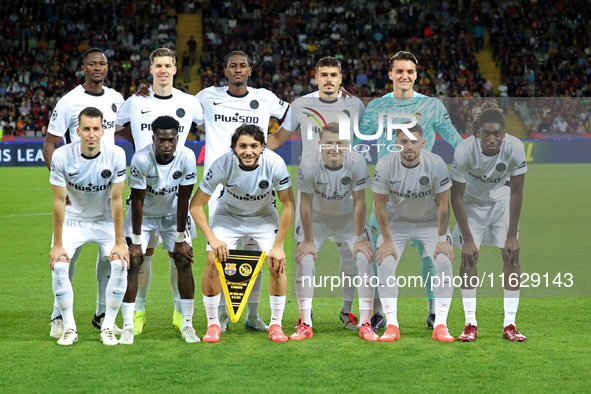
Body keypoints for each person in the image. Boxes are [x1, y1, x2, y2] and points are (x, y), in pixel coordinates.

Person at [359, 51, 463, 330]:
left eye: (410, 71)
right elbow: (359, 134)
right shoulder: (377, 106)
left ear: (416, 75)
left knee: (432, 256)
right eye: (399, 71)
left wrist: (473, 155)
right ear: (390, 75)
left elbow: (452, 136)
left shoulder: (431, 105)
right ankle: (379, 312)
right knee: (377, 254)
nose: (405, 76)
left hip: (426, 193)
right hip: (388, 193)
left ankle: (433, 313)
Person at [195, 50, 290, 333]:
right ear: (225, 71)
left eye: (243, 66)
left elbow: (294, 115)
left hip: (260, 200)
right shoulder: (206, 96)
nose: (238, 69)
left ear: (250, 70)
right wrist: (148, 91)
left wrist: (269, 144)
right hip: (221, 192)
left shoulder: (265, 97)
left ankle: (256, 316)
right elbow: (177, 106)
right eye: (232, 65)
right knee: (218, 257)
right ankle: (220, 317)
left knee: (260, 260)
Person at [271, 56, 367, 330]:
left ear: (341, 77)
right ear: (315, 77)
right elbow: (279, 138)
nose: (328, 79)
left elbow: (372, 135)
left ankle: (347, 311)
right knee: (305, 256)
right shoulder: (300, 105)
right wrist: (248, 147)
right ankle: (305, 318)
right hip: (311, 192)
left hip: (347, 191)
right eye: (323, 74)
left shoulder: (355, 105)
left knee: (352, 258)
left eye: (333, 75)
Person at [116, 47, 204, 335]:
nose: (163, 70)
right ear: (151, 69)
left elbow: (206, 125)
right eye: (158, 65)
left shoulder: (189, 102)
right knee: (142, 256)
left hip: (173, 188)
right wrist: (141, 146)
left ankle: (181, 315)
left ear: (175, 69)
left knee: (179, 256)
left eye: (168, 65)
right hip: (145, 182)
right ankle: (137, 313)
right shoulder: (135, 100)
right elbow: (116, 129)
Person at [43, 48, 125, 339]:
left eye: (102, 63)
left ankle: (103, 313)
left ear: (107, 67)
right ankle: (59, 316)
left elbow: (127, 129)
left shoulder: (117, 99)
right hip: (77, 193)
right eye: (92, 64)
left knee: (110, 260)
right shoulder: (69, 101)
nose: (97, 68)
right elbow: (51, 143)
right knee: (67, 260)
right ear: (83, 68)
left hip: (105, 192)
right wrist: (62, 181)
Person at [190, 124, 293, 343]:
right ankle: (213, 323)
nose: (249, 151)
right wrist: (213, 239)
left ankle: (275, 323)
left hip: (263, 216)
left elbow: (288, 205)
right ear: (234, 148)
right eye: (243, 146)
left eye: (254, 146)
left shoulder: (275, 163)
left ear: (263, 146)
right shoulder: (222, 164)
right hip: (228, 216)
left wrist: (277, 245)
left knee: (276, 262)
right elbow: (196, 205)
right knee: (212, 260)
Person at [450, 102, 527, 342]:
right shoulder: (464, 151)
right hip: (471, 204)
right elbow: (456, 197)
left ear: (504, 133)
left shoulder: (515, 147)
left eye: (497, 133)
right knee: (469, 257)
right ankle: (470, 324)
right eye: (486, 133)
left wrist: (512, 235)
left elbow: (516, 191)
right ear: (477, 133)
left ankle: (510, 324)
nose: (492, 138)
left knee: (511, 256)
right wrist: (468, 240)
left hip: (501, 201)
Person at [291, 123, 375, 341]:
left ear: (347, 144)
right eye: (329, 143)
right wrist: (308, 240)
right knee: (305, 259)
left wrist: (359, 238)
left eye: (339, 143)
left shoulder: (356, 162)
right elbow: (306, 204)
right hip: (317, 218)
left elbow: (359, 201)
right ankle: (305, 322)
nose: (334, 148)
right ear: (320, 144)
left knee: (363, 259)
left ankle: (361, 320)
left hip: (347, 218)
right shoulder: (309, 164)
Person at [372, 124, 455, 342]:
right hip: (396, 223)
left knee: (445, 262)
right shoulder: (385, 165)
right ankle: (392, 325)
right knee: (385, 262)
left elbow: (444, 204)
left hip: (429, 223)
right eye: (404, 141)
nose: (409, 146)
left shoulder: (436, 164)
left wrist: (441, 239)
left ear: (423, 143)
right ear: (396, 143)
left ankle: (441, 325)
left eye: (414, 141)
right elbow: (379, 206)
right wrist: (387, 241)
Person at [119, 116, 198, 345]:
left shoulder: (187, 157)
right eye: (161, 140)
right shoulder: (141, 159)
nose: (166, 145)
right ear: (153, 138)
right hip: (143, 216)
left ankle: (187, 324)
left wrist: (181, 239)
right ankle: (127, 326)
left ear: (177, 139)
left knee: (183, 259)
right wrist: (134, 242)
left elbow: (184, 199)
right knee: (134, 262)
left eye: (171, 140)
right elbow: (137, 201)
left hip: (173, 214)